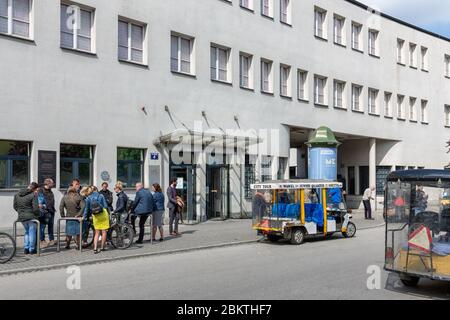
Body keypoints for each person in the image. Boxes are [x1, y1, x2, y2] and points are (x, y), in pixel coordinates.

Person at [13, 182, 40, 255]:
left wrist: (20, 212)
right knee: (32, 232)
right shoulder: (33, 195)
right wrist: (37, 215)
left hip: (21, 217)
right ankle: (32, 249)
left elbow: (15, 206)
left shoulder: (17, 194)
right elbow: (36, 208)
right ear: (34, 189)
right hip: (31, 217)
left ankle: (26, 249)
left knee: (27, 232)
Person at [81, 186, 109, 254]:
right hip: (103, 214)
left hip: (95, 216)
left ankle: (95, 249)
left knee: (97, 233)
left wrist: (84, 218)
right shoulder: (101, 195)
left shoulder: (88, 198)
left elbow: (86, 210)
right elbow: (105, 206)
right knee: (104, 232)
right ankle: (102, 247)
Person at [40, 178, 56, 248]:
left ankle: (51, 240)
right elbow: (41, 201)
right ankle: (42, 240)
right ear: (48, 183)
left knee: (51, 226)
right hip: (45, 211)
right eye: (52, 183)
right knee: (42, 226)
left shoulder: (50, 191)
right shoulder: (41, 191)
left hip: (51, 210)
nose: (53, 184)